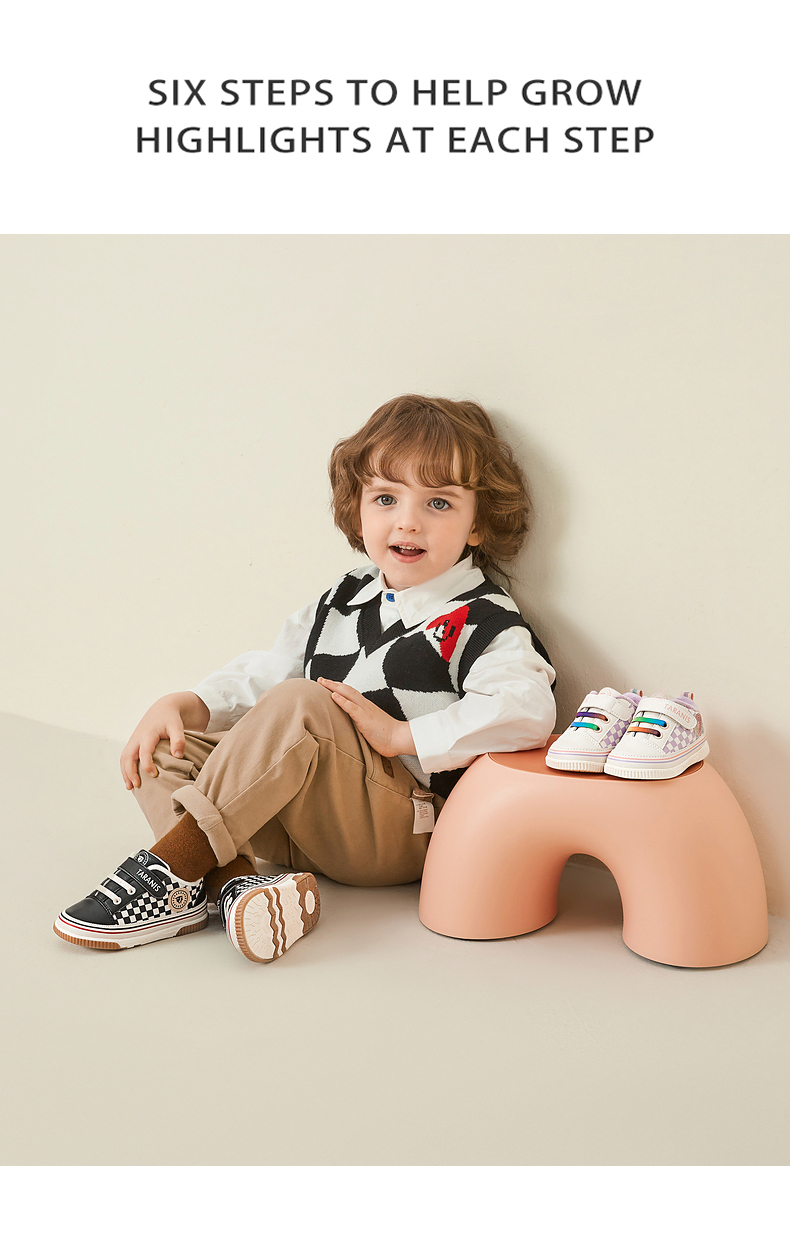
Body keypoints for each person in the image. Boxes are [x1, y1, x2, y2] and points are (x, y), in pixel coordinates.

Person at [54, 395, 556, 962]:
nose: (408, 521)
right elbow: (271, 669)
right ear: (358, 511)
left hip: (402, 829)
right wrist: (189, 703)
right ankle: (236, 888)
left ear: (478, 524)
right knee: (168, 749)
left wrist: (402, 736)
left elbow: (527, 709)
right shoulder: (347, 595)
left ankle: (169, 869)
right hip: (304, 820)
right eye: (386, 498)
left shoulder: (484, 618)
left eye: (438, 503)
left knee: (304, 705)